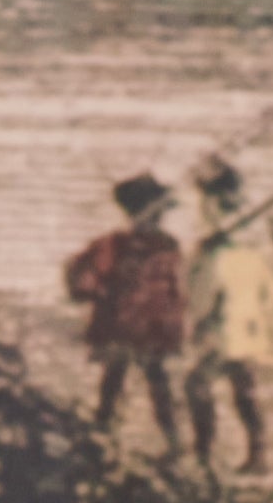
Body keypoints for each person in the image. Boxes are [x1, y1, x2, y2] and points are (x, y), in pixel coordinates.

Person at [184, 159, 273, 473]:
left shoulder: (217, 238)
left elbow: (202, 292)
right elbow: (272, 289)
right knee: (244, 388)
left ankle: (204, 453)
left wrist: (200, 318)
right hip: (247, 326)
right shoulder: (248, 235)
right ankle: (257, 455)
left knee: (197, 385)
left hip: (223, 328)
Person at [65, 175, 184, 456]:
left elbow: (81, 280)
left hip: (126, 327)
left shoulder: (114, 244)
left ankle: (107, 434)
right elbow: (175, 292)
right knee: (149, 384)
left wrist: (96, 294)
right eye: (159, 211)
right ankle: (170, 442)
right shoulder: (161, 245)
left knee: (120, 381)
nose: (161, 217)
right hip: (145, 329)